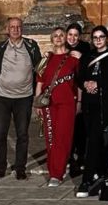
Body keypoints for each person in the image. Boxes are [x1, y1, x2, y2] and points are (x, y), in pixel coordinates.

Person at [0, 16, 41, 181]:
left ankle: (20, 168)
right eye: (12, 27)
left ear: (22, 29)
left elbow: (40, 68)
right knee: (0, 135)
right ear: (7, 30)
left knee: (22, 135)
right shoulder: (0, 48)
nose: (16, 29)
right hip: (3, 98)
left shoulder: (31, 46)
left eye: (18, 26)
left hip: (24, 98)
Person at [77, 26, 108, 198]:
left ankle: (87, 179)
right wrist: (85, 84)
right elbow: (79, 76)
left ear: (106, 38)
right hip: (90, 106)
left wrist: (99, 84)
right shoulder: (87, 56)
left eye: (101, 37)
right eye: (95, 37)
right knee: (96, 141)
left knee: (96, 142)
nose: (98, 40)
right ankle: (104, 173)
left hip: (107, 107)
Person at [35, 27, 81, 187]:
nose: (59, 38)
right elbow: (39, 82)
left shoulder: (74, 59)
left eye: (62, 35)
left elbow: (79, 84)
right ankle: (52, 170)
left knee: (63, 137)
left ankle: (57, 173)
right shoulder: (44, 59)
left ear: (66, 38)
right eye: (55, 36)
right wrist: (37, 102)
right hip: (48, 104)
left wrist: (79, 102)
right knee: (50, 138)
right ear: (51, 39)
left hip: (67, 104)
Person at [65, 22, 89, 178]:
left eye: (75, 35)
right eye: (70, 35)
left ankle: (81, 157)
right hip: (65, 94)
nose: (72, 38)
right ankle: (69, 158)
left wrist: (81, 59)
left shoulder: (85, 49)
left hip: (80, 93)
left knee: (80, 127)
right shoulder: (62, 48)